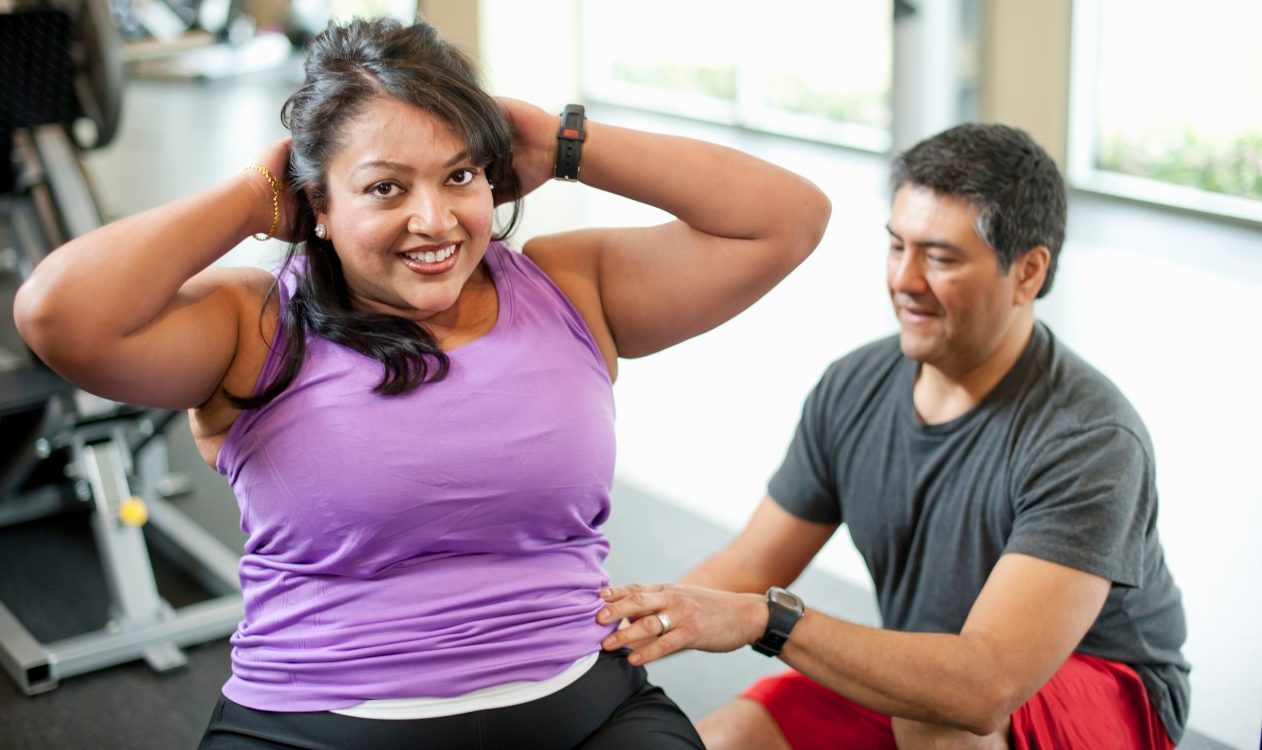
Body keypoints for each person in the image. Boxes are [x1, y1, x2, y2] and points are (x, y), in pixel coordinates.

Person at [13, 17, 830, 749]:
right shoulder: (253, 322)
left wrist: (566, 139)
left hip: (584, 711)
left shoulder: (569, 287)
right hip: (317, 727)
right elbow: (58, 315)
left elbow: (787, 217)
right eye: (384, 187)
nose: (435, 221)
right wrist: (251, 196)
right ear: (315, 206)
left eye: (461, 175)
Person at [595, 123, 1190, 749]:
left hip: (1099, 689)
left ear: (1029, 272)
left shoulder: (1089, 437)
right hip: (934, 671)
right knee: (729, 737)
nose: (904, 281)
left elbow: (985, 686)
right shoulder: (856, 385)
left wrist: (767, 621)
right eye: (896, 247)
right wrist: (606, 641)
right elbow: (749, 566)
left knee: (941, 720)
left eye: (939, 257)